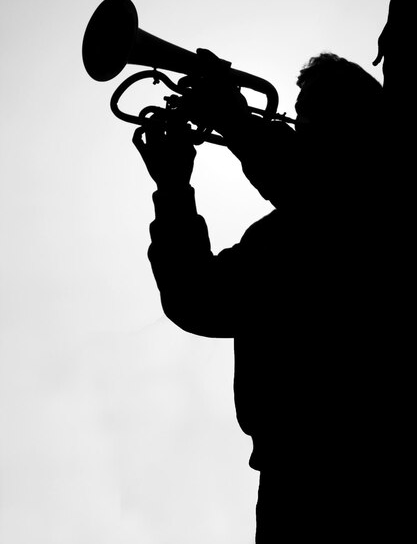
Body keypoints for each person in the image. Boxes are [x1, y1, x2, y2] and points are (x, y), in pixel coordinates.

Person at [133, 50, 403, 541]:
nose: (296, 128)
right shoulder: (275, 237)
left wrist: (232, 120)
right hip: (288, 480)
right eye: (301, 117)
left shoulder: (386, 194)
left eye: (313, 116)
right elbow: (194, 298)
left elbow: (319, 195)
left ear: (361, 125)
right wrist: (173, 189)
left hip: (365, 468)